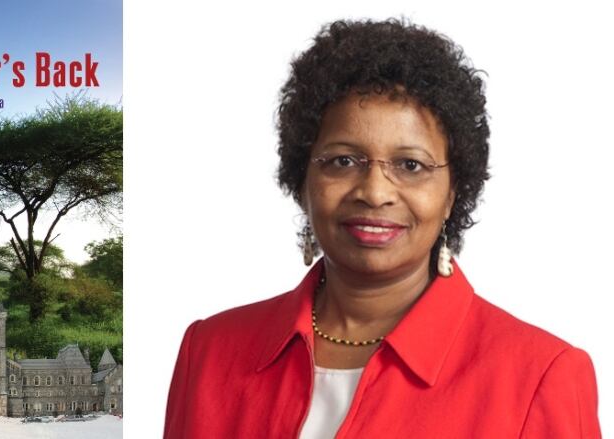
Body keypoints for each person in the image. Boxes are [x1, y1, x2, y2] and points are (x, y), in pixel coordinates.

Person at [164, 19, 601, 438]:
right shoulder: (208, 351)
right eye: (343, 161)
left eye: (410, 165)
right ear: (303, 178)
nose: (374, 192)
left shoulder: (540, 375)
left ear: (453, 192)